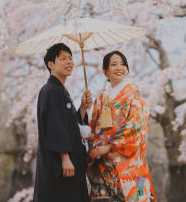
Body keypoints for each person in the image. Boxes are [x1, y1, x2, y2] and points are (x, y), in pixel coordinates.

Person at [87, 51, 156, 201]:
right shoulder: (100, 97)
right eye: (114, 64)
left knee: (132, 196)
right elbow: (94, 127)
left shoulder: (134, 95)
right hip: (103, 160)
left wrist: (109, 146)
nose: (119, 67)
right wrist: (96, 148)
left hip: (126, 158)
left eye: (123, 64)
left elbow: (135, 126)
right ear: (105, 71)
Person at [33, 43, 93, 202]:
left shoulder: (60, 90)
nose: (69, 62)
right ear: (51, 65)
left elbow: (69, 124)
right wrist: (65, 157)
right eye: (63, 58)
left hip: (69, 163)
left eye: (71, 58)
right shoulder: (51, 90)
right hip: (60, 164)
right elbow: (55, 126)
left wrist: (82, 108)